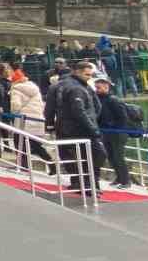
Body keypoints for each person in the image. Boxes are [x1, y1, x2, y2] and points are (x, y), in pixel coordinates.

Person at [45, 61, 106, 195]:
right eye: (86, 74)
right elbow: (83, 110)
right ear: (76, 72)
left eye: (90, 75)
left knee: (73, 157)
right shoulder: (79, 88)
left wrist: (49, 125)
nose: (89, 77)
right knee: (95, 155)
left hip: (65, 127)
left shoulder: (61, 86)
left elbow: (49, 109)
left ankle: (80, 182)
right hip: (81, 128)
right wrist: (93, 126)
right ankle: (90, 185)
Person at [92, 77, 134, 188]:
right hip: (106, 132)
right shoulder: (99, 99)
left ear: (106, 87)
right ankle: (119, 177)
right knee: (111, 156)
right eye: (96, 87)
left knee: (118, 156)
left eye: (98, 87)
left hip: (117, 133)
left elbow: (123, 117)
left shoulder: (113, 100)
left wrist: (114, 127)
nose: (96, 90)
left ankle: (126, 181)